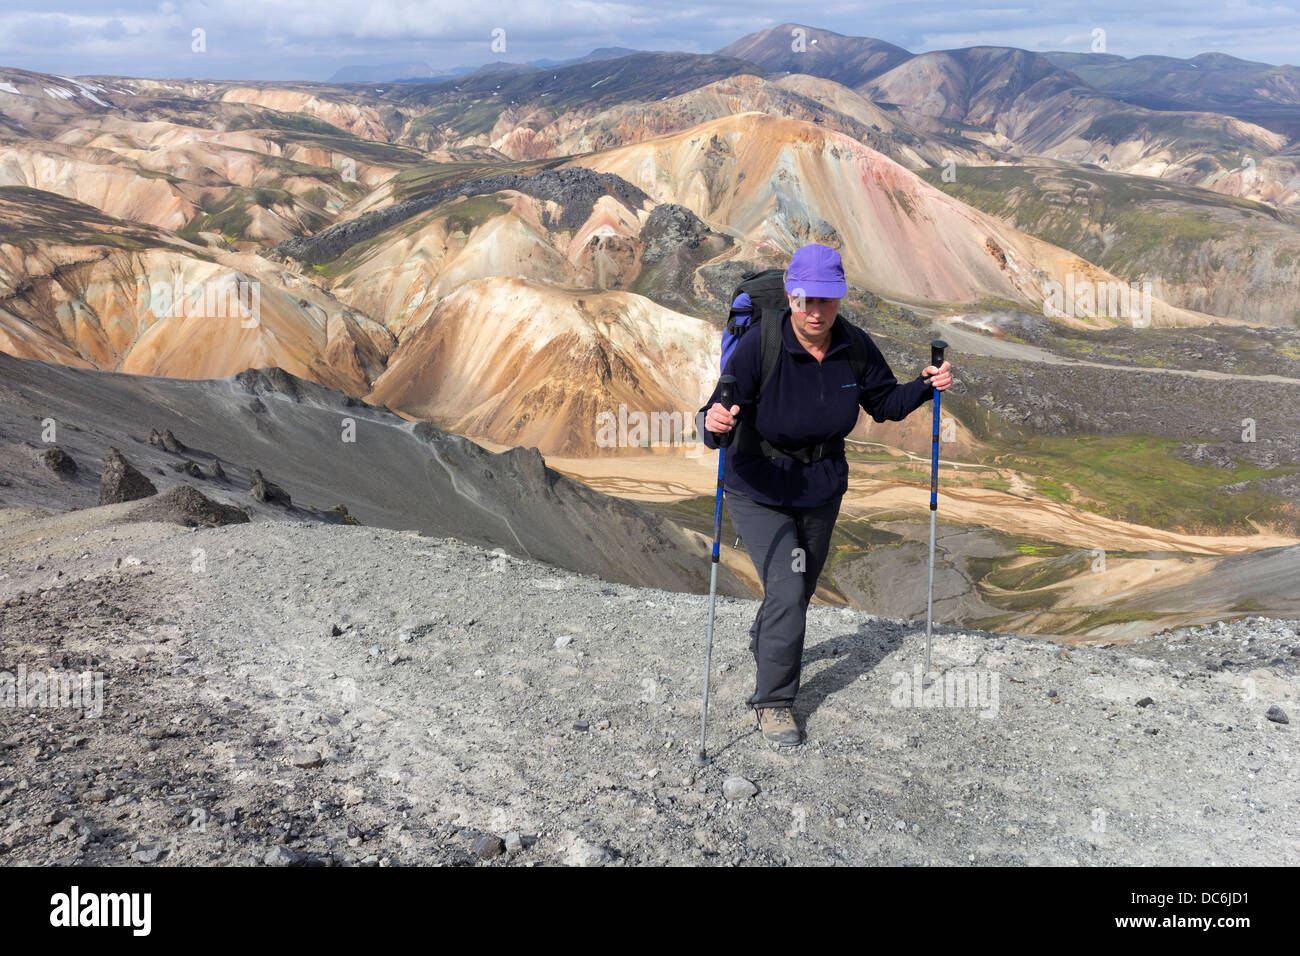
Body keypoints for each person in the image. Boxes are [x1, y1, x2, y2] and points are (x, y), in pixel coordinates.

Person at [695, 243, 952, 746]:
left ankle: (767, 639)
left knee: (798, 590)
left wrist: (924, 386)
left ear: (841, 299)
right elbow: (715, 414)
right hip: (759, 485)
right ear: (791, 296)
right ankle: (773, 702)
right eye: (806, 300)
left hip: (821, 487)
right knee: (789, 590)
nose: (816, 312)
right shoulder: (760, 345)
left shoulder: (853, 346)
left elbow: (884, 404)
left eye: (827, 301)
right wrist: (714, 423)